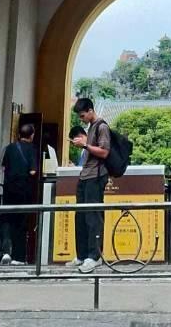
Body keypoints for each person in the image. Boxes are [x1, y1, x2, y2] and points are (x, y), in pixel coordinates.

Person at [70, 97, 111, 273]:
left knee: (93, 217)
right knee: (80, 216)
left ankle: (94, 256)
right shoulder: (91, 127)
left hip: (96, 176)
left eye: (82, 115)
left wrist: (85, 145)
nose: (81, 119)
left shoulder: (102, 127)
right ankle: (82, 255)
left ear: (90, 111)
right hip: (85, 176)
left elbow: (104, 152)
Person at [0, 123, 39, 265]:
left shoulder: (10, 148)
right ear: (32, 135)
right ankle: (18, 257)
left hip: (9, 188)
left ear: (19, 134)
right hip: (23, 190)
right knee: (21, 222)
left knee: (7, 219)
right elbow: (33, 171)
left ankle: (5, 252)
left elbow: (3, 167)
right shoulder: (32, 149)